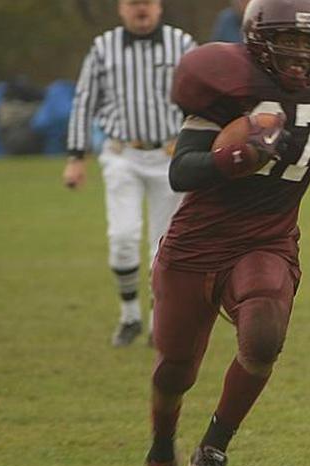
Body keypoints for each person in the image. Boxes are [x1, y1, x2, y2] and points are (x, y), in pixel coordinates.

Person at [142, 0, 310, 466]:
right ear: (258, 42)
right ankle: (160, 453)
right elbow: (183, 171)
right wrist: (243, 154)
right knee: (175, 371)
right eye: (289, 39)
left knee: (264, 336)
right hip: (197, 244)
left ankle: (212, 452)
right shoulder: (226, 82)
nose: (302, 53)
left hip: (267, 237)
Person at [63, 0, 196, 347]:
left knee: (164, 246)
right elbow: (83, 101)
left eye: (147, 3)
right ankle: (129, 315)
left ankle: (157, 322)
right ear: (121, 8)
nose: (141, 10)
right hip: (123, 153)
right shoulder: (102, 47)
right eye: (133, 3)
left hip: (169, 155)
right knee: (122, 237)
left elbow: (203, 93)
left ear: (159, 6)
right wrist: (76, 156)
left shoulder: (181, 43)